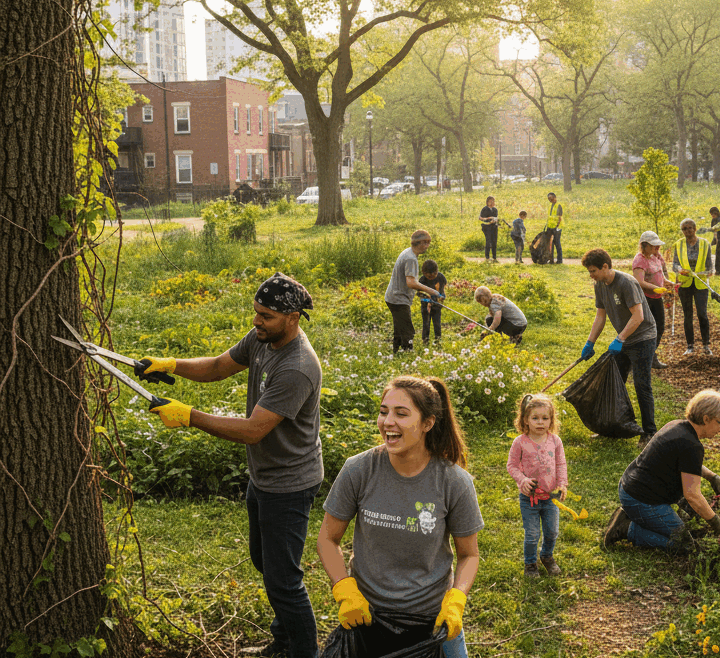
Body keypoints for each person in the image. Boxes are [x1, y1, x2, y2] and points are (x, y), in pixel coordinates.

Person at [139, 272, 323, 658]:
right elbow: (218, 367)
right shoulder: (262, 339)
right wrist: (170, 364)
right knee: (265, 564)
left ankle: (301, 651)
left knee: (284, 581)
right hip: (264, 476)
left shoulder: (297, 366)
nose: (257, 320)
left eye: (266, 315)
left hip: (290, 483)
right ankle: (284, 639)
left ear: (292, 318)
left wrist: (189, 416)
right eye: (256, 312)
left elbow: (254, 430)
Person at [316, 376, 484, 658]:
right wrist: (344, 588)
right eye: (384, 411)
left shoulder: (454, 482)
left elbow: (469, 555)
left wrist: (456, 600)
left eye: (401, 413)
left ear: (427, 423)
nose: (387, 422)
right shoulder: (359, 470)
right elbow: (327, 539)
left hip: (433, 622)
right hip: (367, 616)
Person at [603, 390, 720, 552]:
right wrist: (716, 522)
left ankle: (632, 515)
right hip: (641, 500)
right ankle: (626, 528)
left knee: (683, 529)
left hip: (629, 488)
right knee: (684, 545)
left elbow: (686, 463)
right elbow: (692, 495)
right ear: (706, 419)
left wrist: (711, 476)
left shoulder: (678, 426)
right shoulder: (691, 445)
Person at [581, 248, 659, 447]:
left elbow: (638, 316)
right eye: (589, 271)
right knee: (614, 382)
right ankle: (611, 427)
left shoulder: (626, 283)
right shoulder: (599, 285)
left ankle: (649, 432)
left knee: (642, 385)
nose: (591, 275)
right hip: (624, 339)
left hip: (643, 338)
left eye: (593, 271)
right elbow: (600, 316)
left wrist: (620, 338)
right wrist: (590, 342)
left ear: (605, 266)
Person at [506, 393, 567, 578]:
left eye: (545, 418)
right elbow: (512, 466)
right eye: (535, 418)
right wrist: (522, 480)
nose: (540, 422)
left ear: (551, 420)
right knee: (532, 534)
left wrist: (562, 484)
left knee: (552, 531)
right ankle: (530, 563)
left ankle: (547, 556)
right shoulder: (520, 442)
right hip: (529, 498)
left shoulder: (555, 441)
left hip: (550, 497)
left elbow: (560, 464)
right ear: (525, 420)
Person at [385, 230, 441, 352]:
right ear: (420, 243)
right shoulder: (411, 259)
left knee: (399, 328)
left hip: (394, 297)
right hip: (398, 299)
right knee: (407, 331)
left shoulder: (408, 252)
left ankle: (397, 353)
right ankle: (407, 354)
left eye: (428, 243)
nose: (427, 246)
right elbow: (411, 282)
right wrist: (432, 291)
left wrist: (423, 293)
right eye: (426, 243)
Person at [672, 218, 714, 356]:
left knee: (702, 313)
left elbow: (710, 267)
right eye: (684, 229)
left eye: (689, 228)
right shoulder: (678, 244)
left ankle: (706, 345)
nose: (687, 231)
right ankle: (690, 345)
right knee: (687, 315)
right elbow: (675, 264)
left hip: (700, 284)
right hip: (685, 284)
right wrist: (679, 270)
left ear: (695, 228)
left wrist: (705, 273)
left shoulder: (704, 243)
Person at [632, 231, 671, 369]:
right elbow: (638, 281)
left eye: (658, 245)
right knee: (646, 329)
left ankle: (651, 356)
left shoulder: (656, 257)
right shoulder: (640, 260)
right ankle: (640, 358)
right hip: (645, 299)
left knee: (659, 327)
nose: (657, 247)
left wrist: (667, 283)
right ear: (644, 245)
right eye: (654, 245)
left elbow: (660, 274)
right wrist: (655, 288)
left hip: (657, 298)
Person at [420, 259, 447, 343]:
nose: (432, 277)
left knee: (437, 324)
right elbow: (420, 294)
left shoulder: (440, 277)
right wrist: (427, 300)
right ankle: (425, 340)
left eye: (434, 274)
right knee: (426, 324)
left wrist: (442, 297)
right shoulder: (422, 281)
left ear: (437, 271)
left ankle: (438, 340)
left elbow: (443, 290)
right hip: (426, 307)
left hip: (437, 306)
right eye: (429, 276)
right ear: (424, 273)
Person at [545, 192, 564, 264]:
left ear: (555, 197)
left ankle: (559, 260)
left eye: (551, 198)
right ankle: (551, 260)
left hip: (556, 227)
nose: (550, 200)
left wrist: (557, 226)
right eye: (549, 199)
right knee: (550, 244)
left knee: (557, 243)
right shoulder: (550, 205)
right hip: (550, 226)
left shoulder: (559, 205)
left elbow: (560, 217)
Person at [479, 196, 499, 262]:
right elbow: (480, 218)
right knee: (488, 241)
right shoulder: (484, 209)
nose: (492, 202)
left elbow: (496, 217)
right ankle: (487, 257)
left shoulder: (495, 209)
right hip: (486, 227)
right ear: (487, 202)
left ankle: (494, 257)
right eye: (491, 201)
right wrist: (488, 218)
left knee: (494, 242)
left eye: (493, 201)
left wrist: (496, 220)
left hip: (494, 227)